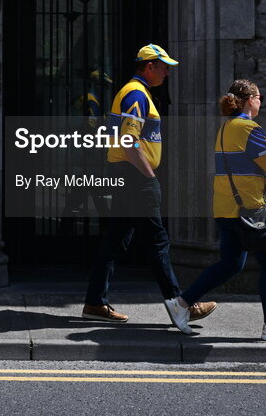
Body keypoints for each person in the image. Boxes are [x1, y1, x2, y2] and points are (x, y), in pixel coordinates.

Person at [82, 44, 216, 325]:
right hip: (135, 177)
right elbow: (129, 142)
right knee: (158, 242)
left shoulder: (136, 93)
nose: (168, 72)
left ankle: (95, 302)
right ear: (149, 66)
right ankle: (181, 305)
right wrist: (149, 177)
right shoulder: (136, 94)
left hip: (126, 174)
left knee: (114, 242)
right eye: (164, 66)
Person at [165, 79, 266, 340]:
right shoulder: (249, 128)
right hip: (249, 209)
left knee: (230, 263)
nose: (261, 102)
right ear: (250, 99)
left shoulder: (226, 128)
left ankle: (182, 303)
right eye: (259, 97)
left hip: (226, 207)